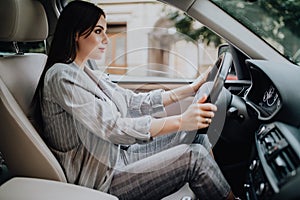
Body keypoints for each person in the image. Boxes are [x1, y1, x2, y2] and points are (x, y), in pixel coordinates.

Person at [33, 1, 237, 199]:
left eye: (105, 30)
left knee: (198, 138)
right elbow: (112, 128)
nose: (106, 38)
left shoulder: (87, 71)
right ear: (76, 34)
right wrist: (180, 121)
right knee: (194, 158)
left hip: (118, 157)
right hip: (100, 179)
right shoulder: (61, 76)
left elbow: (131, 102)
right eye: (98, 31)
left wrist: (190, 89)